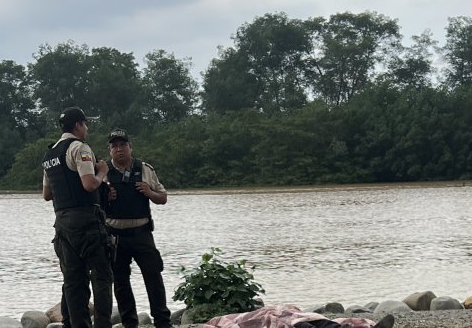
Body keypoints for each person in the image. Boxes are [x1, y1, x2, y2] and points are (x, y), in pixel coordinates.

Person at [43, 107, 113, 328]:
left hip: (62, 224)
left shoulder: (50, 154)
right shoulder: (79, 148)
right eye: (85, 124)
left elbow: (47, 195)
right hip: (86, 221)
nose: (87, 128)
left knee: (73, 281)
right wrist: (102, 171)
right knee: (101, 276)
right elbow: (89, 183)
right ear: (78, 125)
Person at [102, 129, 173, 328]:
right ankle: (129, 323)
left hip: (142, 234)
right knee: (121, 283)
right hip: (114, 237)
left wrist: (149, 192)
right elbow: (92, 203)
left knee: (153, 277)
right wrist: (105, 197)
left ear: (130, 147)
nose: (119, 149)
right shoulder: (103, 171)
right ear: (110, 151)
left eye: (123, 145)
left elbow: (163, 198)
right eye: (114, 146)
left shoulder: (144, 169)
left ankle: (162, 322)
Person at [203, 304, 394, 328]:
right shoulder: (216, 323)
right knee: (284, 320)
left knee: (291, 315)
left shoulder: (224, 319)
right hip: (267, 319)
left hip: (278, 312)